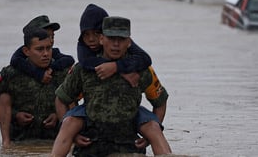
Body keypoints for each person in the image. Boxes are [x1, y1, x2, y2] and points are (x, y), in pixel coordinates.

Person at [51, 16, 172, 157]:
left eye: (121, 40)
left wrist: (148, 137)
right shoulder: (84, 68)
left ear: (128, 42)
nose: (116, 44)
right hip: (91, 142)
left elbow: (160, 101)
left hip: (128, 142)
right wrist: (75, 135)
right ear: (101, 39)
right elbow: (61, 99)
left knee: (153, 127)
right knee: (69, 122)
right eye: (111, 38)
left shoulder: (141, 70)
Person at [0, 27, 68, 148]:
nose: (45, 54)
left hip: (54, 136)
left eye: (48, 48)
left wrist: (58, 114)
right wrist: (15, 115)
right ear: (26, 51)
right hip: (20, 136)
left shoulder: (61, 71)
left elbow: (75, 99)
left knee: (68, 97)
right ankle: (6, 145)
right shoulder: (12, 73)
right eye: (39, 49)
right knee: (4, 96)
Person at [10, 15, 75, 83]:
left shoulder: (53, 52)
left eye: (52, 36)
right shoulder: (20, 56)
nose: (51, 40)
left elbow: (69, 59)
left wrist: (51, 68)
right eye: (46, 36)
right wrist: (38, 74)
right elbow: (15, 60)